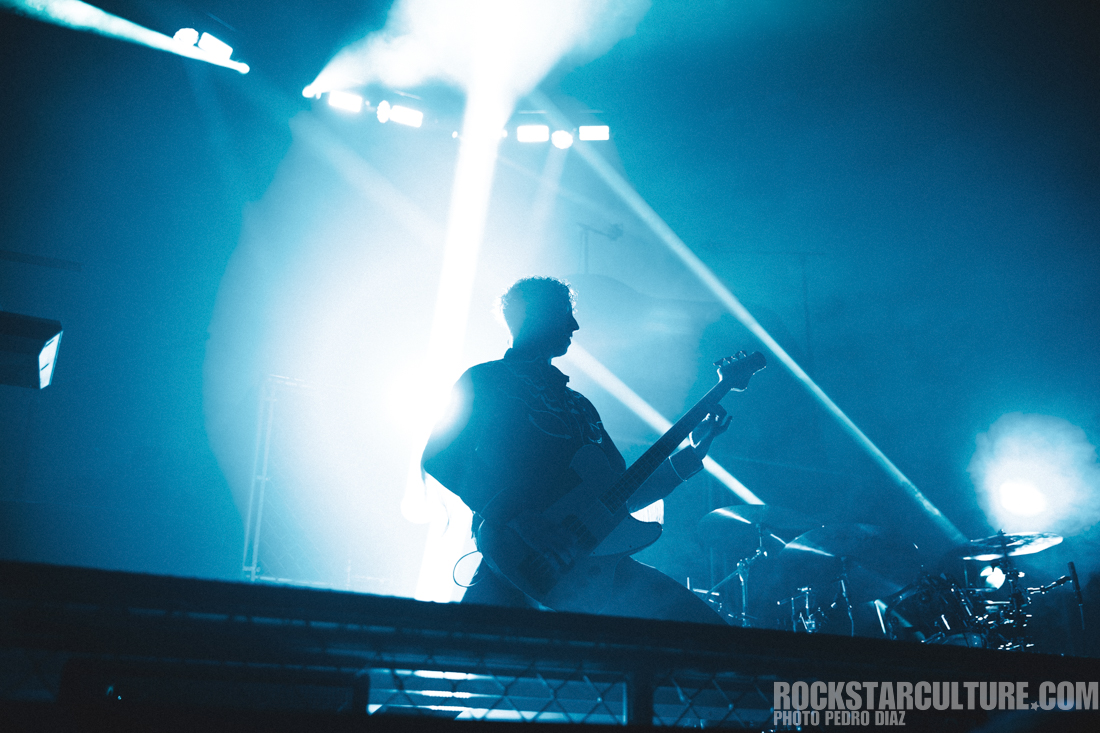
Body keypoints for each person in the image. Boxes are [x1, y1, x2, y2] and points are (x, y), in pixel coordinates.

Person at [422, 277, 731, 624]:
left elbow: (619, 495)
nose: (574, 325)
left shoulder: (579, 405)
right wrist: (523, 521)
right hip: (519, 559)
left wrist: (693, 452)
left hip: (591, 566)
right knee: (480, 665)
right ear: (533, 316)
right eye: (564, 314)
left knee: (711, 632)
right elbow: (440, 457)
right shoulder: (487, 380)